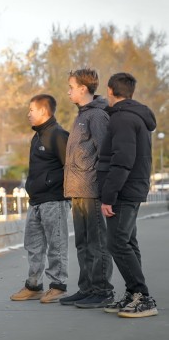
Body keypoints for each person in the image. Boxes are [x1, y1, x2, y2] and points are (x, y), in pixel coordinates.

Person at [98, 73, 158, 318]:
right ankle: (133, 293)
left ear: (111, 90)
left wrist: (108, 196)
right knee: (128, 241)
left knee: (117, 243)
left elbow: (122, 160)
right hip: (132, 187)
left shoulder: (122, 119)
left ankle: (142, 296)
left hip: (123, 190)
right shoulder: (136, 117)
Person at [59, 68, 114, 308]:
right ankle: (87, 288)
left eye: (71, 86)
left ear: (83, 88)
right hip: (77, 190)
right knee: (82, 242)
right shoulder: (82, 114)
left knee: (97, 242)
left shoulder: (97, 116)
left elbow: (105, 153)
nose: (68, 91)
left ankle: (102, 290)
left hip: (91, 189)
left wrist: (105, 191)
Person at [10, 94, 71, 303]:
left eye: (31, 110)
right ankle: (34, 285)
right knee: (33, 245)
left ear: (44, 111)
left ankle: (58, 286)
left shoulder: (58, 135)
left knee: (57, 245)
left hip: (54, 200)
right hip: (36, 201)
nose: (28, 114)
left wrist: (51, 184)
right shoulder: (36, 137)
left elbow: (70, 168)